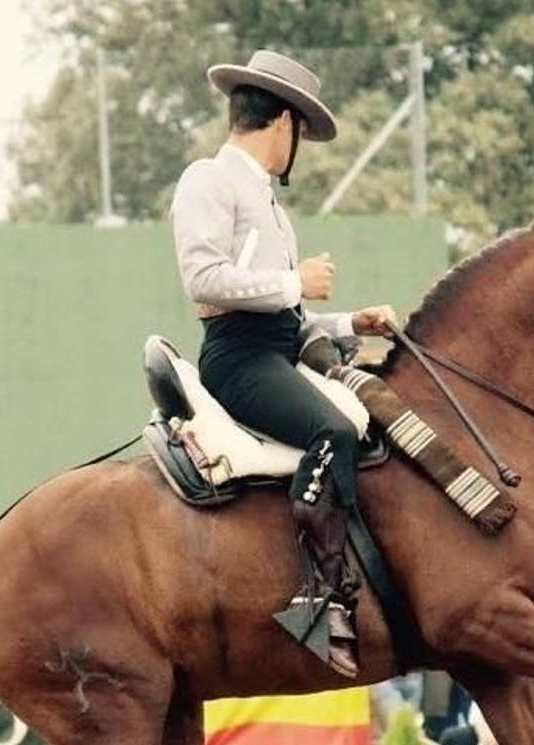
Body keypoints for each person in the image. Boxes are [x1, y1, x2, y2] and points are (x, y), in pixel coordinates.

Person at [170, 50, 400, 677]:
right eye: (301, 131)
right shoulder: (207, 180)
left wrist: (350, 322)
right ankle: (318, 601)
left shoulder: (267, 199)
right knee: (334, 430)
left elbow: (288, 320)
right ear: (285, 123)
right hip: (236, 358)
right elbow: (203, 278)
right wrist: (294, 279)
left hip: (274, 347)